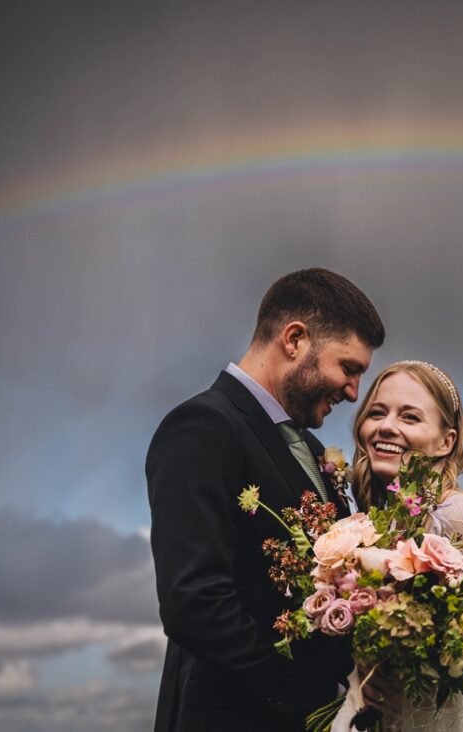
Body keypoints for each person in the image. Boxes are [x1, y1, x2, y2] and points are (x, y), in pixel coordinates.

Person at [146, 268, 385, 731]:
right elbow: (194, 601)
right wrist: (307, 695)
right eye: (349, 368)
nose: (354, 392)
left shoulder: (314, 453)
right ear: (294, 339)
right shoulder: (202, 428)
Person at [334, 360, 463, 732]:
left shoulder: (461, 514)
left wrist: (430, 664)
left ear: (447, 441)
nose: (386, 426)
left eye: (410, 417)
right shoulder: (372, 524)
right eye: (377, 412)